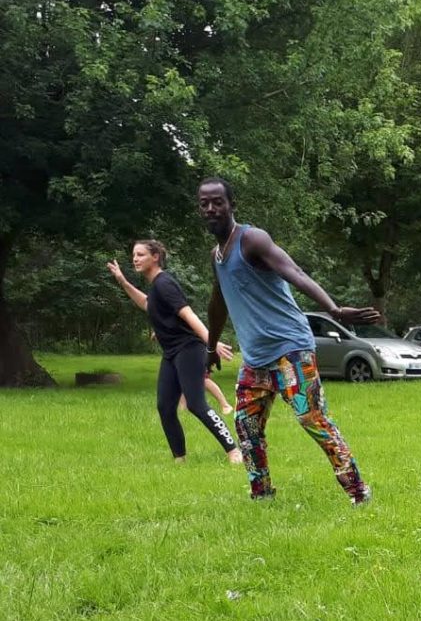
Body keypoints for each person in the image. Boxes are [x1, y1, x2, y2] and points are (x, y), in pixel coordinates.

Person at [198, 177, 380, 505]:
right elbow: (217, 303)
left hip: (291, 350)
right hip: (255, 359)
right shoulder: (217, 255)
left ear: (231, 205)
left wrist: (334, 309)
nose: (211, 209)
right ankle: (262, 495)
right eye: (204, 203)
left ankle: (358, 490)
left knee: (310, 417)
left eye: (218, 202)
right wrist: (210, 348)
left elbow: (294, 271)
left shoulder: (251, 240)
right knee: (245, 426)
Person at [107, 242, 242, 465]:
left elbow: (188, 315)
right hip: (171, 353)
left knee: (196, 404)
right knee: (165, 407)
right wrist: (123, 281)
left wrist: (212, 342)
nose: (135, 259)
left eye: (140, 254)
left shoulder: (164, 283)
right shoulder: (156, 286)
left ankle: (233, 451)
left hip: (189, 349)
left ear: (156, 257)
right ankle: (180, 459)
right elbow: (148, 304)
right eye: (134, 255)